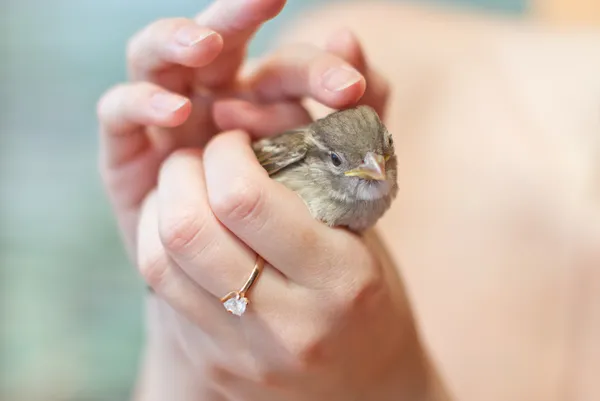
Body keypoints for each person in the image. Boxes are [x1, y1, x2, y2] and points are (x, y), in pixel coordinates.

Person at [96, 1, 600, 400]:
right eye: (350, 164)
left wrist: (386, 385)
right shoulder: (385, 50)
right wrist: (179, 310)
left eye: (384, 157)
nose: (376, 172)